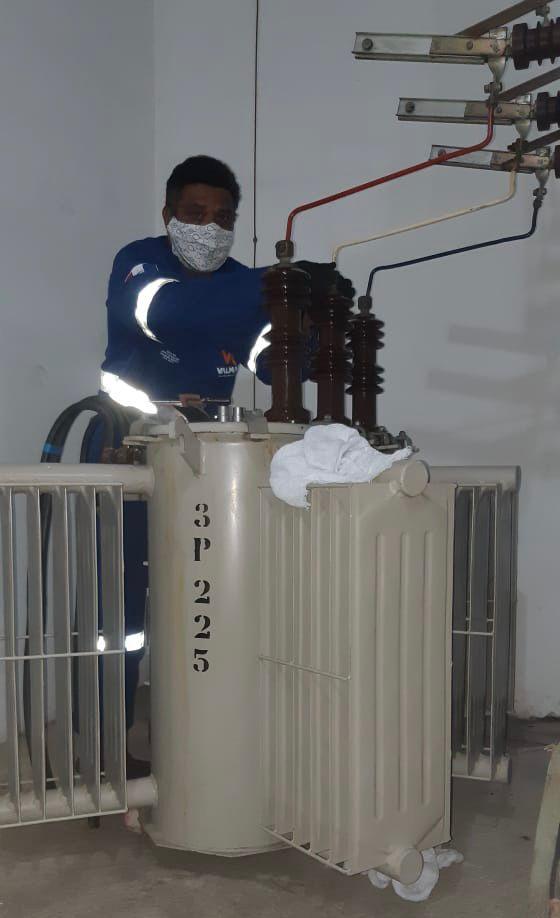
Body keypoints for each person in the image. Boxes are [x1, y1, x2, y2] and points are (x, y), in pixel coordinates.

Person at [99, 154, 348, 775]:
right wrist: (278, 283)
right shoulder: (141, 264)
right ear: (168, 214)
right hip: (127, 457)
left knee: (203, 601)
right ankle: (106, 746)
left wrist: (313, 324)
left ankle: (199, 742)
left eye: (224, 218)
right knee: (124, 618)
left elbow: (272, 361)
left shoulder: (242, 284)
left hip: (204, 472)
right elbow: (169, 313)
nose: (210, 228)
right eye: (195, 213)